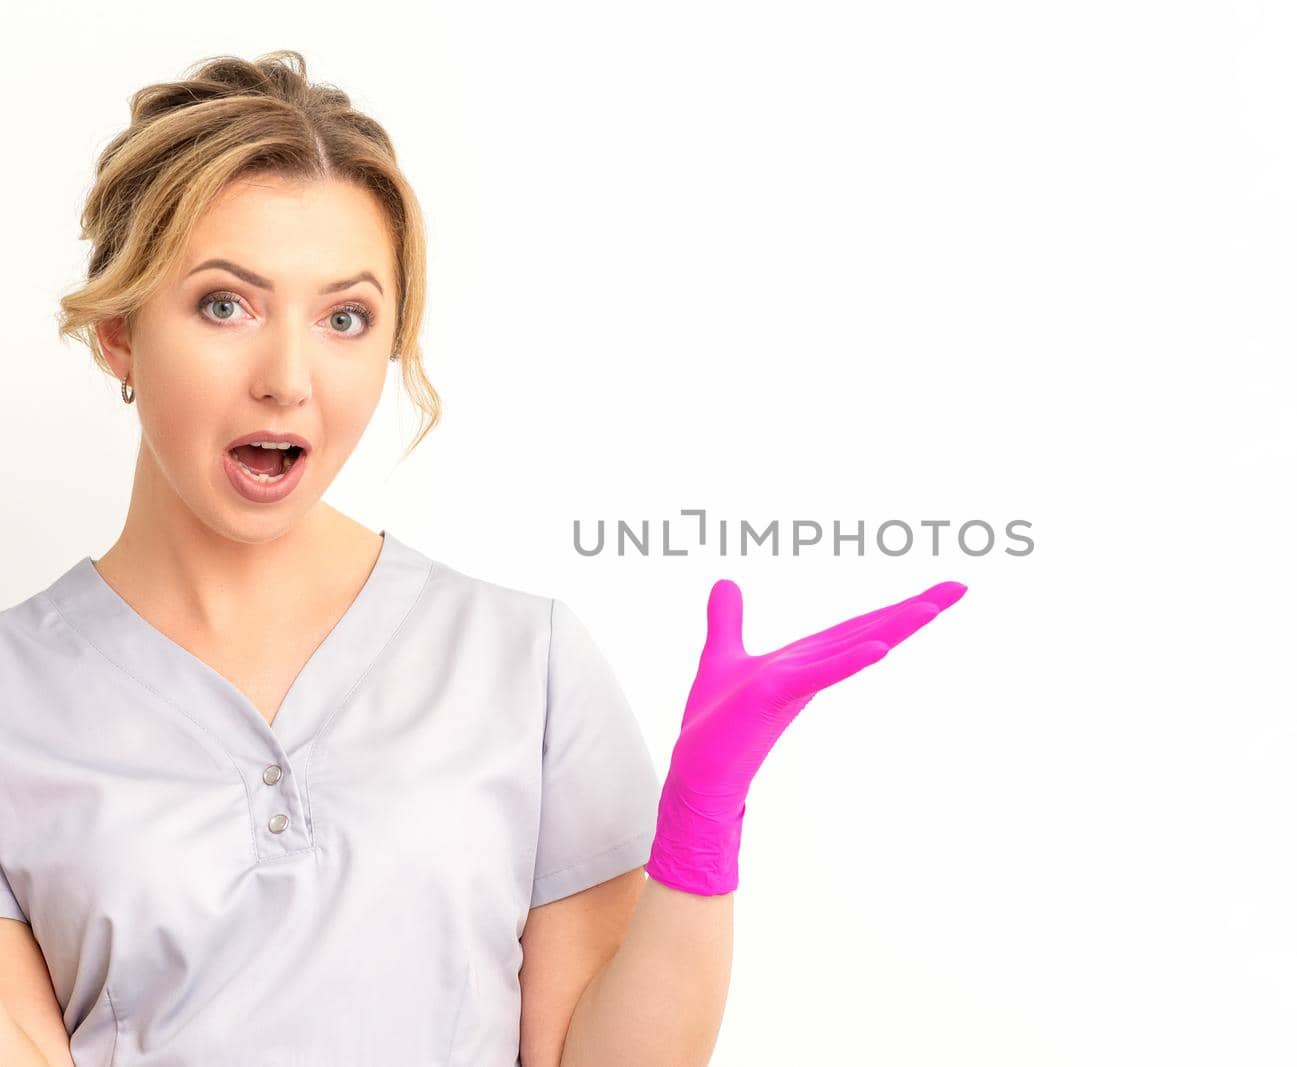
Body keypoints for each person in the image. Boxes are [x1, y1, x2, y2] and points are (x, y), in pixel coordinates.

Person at [0, 50, 966, 1067]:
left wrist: (698, 833)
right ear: (117, 328)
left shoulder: (524, 661)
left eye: (345, 317)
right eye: (226, 304)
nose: (288, 378)